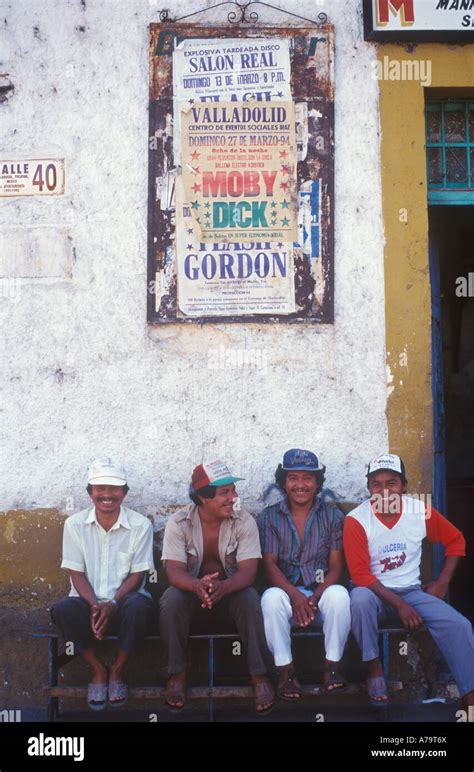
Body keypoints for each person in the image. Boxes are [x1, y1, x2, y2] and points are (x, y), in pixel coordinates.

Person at [343, 453, 474, 710]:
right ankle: (374, 668)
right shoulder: (356, 519)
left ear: (404, 485)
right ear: (369, 488)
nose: (384, 490)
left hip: (412, 592)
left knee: (458, 624)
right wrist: (399, 605)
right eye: (376, 484)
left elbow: (456, 541)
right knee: (358, 599)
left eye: (391, 482)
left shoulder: (419, 510)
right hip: (374, 594)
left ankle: (470, 693)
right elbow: (360, 575)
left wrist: (442, 583)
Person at [159, 459, 275, 714]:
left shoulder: (243, 521)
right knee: (171, 599)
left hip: (230, 603)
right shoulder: (178, 522)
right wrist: (196, 585)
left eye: (233, 490)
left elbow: (248, 572)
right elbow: (173, 571)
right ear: (203, 497)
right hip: (194, 604)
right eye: (225, 492)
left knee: (249, 597)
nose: (233, 497)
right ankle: (176, 675)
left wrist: (223, 587)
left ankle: (260, 677)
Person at [50, 458, 154, 711]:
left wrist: (114, 603)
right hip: (89, 607)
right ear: (90, 493)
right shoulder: (74, 525)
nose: (107, 494)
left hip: (125, 604)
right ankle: (97, 669)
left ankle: (117, 669)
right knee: (63, 609)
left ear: (125, 493)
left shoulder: (140, 525)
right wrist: (96, 606)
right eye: (100, 488)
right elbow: (76, 574)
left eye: (115, 488)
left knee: (140, 607)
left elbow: (137, 576)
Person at [259, 449, 351, 700]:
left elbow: (336, 568)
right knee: (270, 598)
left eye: (308, 478)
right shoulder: (269, 516)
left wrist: (312, 598)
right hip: (289, 600)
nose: (300, 485)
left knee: (339, 595)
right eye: (293, 478)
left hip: (318, 599)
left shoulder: (332, 516)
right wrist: (297, 597)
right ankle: (286, 672)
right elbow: (269, 565)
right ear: (284, 482)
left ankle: (332, 667)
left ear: (317, 482)